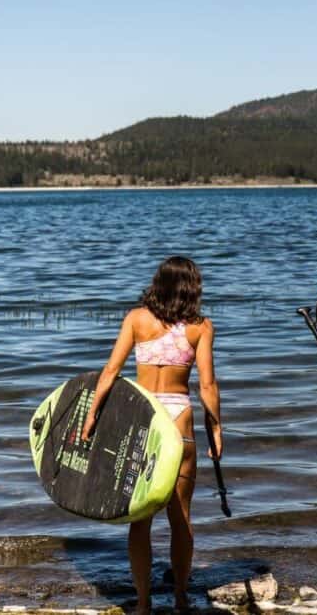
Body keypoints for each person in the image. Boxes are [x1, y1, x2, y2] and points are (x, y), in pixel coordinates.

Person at [80, 256, 222, 614]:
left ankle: (143, 604)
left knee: (140, 519)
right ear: (193, 287)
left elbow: (111, 370)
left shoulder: (136, 319)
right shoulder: (201, 327)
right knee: (181, 518)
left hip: (143, 420)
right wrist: (216, 429)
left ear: (158, 284)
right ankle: (179, 599)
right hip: (178, 420)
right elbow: (207, 385)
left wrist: (91, 414)